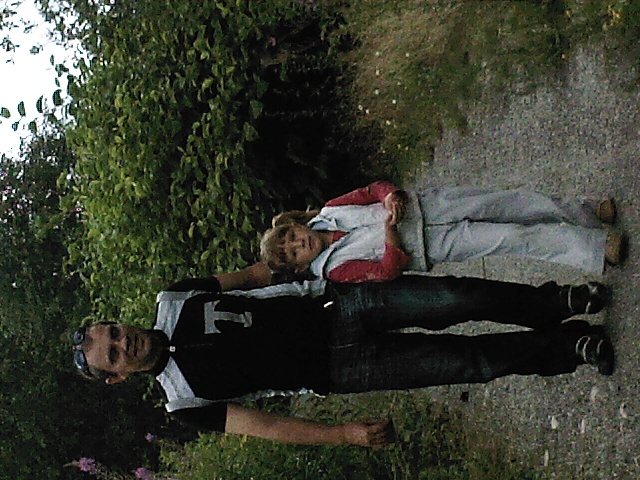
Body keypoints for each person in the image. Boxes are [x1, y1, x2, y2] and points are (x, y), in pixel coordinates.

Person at [73, 272, 614, 447]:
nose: (124, 342)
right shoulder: (183, 404)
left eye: (114, 332)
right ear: (116, 377)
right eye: (114, 354)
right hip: (341, 370)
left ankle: (556, 302)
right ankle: (571, 348)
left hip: (337, 305)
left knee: (455, 297)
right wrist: (343, 434)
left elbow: (256, 275)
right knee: (467, 363)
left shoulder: (175, 297)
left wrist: (323, 238)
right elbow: (268, 425)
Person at [260, 181, 626, 283]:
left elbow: (371, 191)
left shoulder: (329, 211)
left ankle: (586, 211)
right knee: (512, 238)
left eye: (291, 237)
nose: (299, 243)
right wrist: (391, 236)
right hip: (432, 244)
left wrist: (390, 197)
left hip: (430, 207)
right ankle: (593, 248)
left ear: (294, 225)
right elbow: (385, 272)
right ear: (300, 266)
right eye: (294, 252)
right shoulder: (334, 269)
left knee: (510, 202)